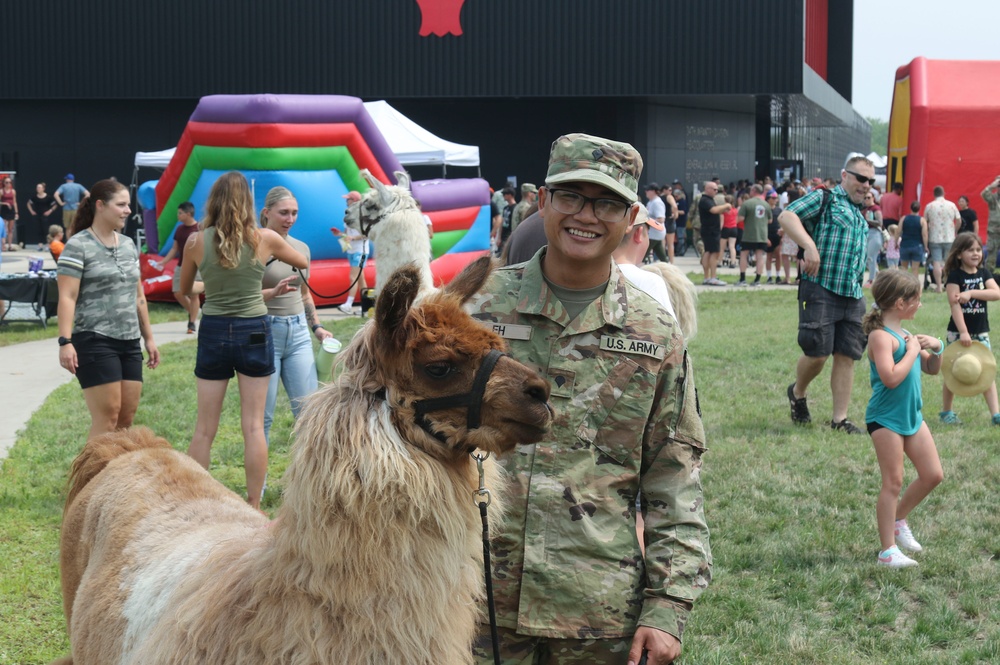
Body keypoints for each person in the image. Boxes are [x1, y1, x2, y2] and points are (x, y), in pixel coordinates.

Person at [469, 133, 711, 665]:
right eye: (571, 197)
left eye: (605, 202)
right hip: (472, 600)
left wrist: (667, 605)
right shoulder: (478, 310)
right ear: (543, 203)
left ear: (630, 219)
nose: (586, 215)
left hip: (597, 613)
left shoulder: (655, 334)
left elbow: (674, 475)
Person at [180, 171, 308, 510]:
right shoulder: (263, 238)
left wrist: (214, 283)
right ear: (248, 205)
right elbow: (304, 261)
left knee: (205, 428)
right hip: (254, 329)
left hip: (214, 330)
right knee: (253, 427)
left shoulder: (195, 241)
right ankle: (253, 504)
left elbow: (183, 289)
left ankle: (194, 503)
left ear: (214, 202)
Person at [56, 179, 160, 441]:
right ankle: (89, 480)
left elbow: (139, 297)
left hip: (129, 341)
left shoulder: (127, 245)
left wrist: (148, 338)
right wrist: (65, 341)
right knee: (108, 417)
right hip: (94, 339)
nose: (127, 210)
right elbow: (67, 296)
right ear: (100, 206)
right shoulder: (78, 245)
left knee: (126, 418)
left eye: (128, 205)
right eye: (121, 204)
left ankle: (114, 478)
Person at [779, 155, 874, 434]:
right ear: (845, 175)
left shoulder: (860, 213)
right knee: (818, 353)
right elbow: (787, 215)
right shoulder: (826, 199)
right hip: (820, 287)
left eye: (870, 181)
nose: (866, 185)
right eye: (860, 178)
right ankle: (797, 392)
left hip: (853, 294)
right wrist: (809, 246)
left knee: (847, 355)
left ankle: (839, 420)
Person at [862, 269, 944, 568]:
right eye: (916, 299)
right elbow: (891, 377)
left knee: (933, 474)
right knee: (893, 482)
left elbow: (932, 370)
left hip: (912, 416)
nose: (920, 303)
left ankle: (898, 519)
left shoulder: (906, 335)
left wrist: (937, 347)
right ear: (900, 303)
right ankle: (887, 551)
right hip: (885, 420)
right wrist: (911, 351)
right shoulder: (881, 337)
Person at [259, 186, 333, 443]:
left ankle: (310, 480)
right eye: (283, 213)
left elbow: (304, 295)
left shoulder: (301, 248)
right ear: (267, 213)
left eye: (294, 213)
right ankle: (259, 484)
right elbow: (242, 296)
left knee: (309, 413)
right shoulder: (254, 246)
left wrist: (317, 327)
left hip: (299, 332)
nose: (290, 219)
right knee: (262, 418)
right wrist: (272, 292)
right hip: (264, 331)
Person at [939, 232, 1000, 425]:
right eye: (970, 250)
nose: (976, 253)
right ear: (959, 254)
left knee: (986, 370)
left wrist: (971, 293)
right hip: (958, 332)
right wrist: (963, 332)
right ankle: (947, 412)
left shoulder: (984, 274)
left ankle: (995, 414)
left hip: (981, 332)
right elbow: (954, 304)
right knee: (953, 370)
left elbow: (996, 293)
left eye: (978, 249)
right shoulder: (955, 276)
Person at [612, 204, 675, 319]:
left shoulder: (588, 275)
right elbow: (670, 333)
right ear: (638, 234)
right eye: (648, 234)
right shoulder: (650, 282)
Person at [152, 202, 202, 333]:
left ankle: (191, 323)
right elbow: (175, 248)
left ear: (188, 214)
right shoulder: (179, 229)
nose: (178, 216)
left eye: (180, 213)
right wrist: (163, 262)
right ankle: (193, 311)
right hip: (181, 266)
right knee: (178, 292)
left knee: (194, 294)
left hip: (196, 267)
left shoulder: (199, 229)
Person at [333, 190, 369, 313]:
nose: (346, 201)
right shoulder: (347, 217)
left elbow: (367, 234)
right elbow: (347, 234)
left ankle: (348, 304)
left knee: (353, 276)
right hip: (351, 251)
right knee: (360, 279)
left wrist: (352, 238)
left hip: (361, 250)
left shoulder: (363, 216)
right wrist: (339, 234)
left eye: (348, 199)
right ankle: (367, 306)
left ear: (354, 201)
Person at [923, 186, 960, 293]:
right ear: (944, 193)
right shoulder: (952, 205)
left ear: (934, 194)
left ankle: (939, 286)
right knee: (949, 262)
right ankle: (948, 284)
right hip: (949, 237)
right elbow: (958, 220)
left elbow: (925, 223)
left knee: (936, 262)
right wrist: (955, 231)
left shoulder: (929, 206)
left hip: (934, 238)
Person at [736, 184, 771, 287]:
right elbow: (770, 220)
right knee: (760, 256)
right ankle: (757, 280)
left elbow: (740, 219)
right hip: (762, 235)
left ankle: (742, 279)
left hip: (749, 234)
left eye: (751, 190)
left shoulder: (747, 203)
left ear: (754, 191)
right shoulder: (766, 204)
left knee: (743, 255)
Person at [699, 181, 731, 285]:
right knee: (714, 253)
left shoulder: (709, 199)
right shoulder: (705, 200)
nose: (716, 191)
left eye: (717, 189)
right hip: (711, 230)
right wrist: (726, 205)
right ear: (707, 189)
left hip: (710, 230)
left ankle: (707, 277)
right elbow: (713, 210)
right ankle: (712, 277)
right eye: (714, 189)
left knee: (708, 252)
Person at [896, 201, 928, 288]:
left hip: (905, 245)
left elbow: (898, 231)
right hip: (917, 246)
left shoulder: (904, 218)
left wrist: (896, 242)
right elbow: (924, 234)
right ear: (919, 209)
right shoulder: (922, 220)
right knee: (915, 268)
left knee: (904, 268)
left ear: (910, 208)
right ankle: (915, 287)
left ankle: (903, 285)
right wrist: (926, 246)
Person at [26, 182, 58, 251]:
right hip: (37, 216)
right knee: (39, 230)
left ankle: (47, 245)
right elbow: (28, 203)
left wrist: (50, 211)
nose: (38, 189)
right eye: (37, 187)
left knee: (46, 230)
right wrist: (31, 211)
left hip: (45, 216)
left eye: (39, 187)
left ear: (43, 189)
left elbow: (55, 205)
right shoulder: (34, 197)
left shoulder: (48, 197)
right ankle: (40, 245)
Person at [861, 191, 883, 287]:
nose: (866, 199)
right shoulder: (865, 208)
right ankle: (879, 275)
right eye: (865, 198)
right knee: (866, 257)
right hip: (867, 233)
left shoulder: (876, 208)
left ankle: (871, 279)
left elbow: (880, 222)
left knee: (871, 257)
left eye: (869, 197)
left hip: (875, 234)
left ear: (873, 198)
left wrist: (868, 220)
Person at [644, 182, 668, 262]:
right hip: (654, 234)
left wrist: (646, 221)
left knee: (642, 254)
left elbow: (661, 219)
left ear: (653, 191)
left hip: (654, 233)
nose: (646, 192)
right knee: (662, 257)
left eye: (647, 190)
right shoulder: (651, 202)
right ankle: (668, 268)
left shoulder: (657, 203)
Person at [981, 175, 1000, 269]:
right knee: (991, 259)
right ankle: (989, 280)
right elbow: (983, 194)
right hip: (994, 233)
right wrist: (992, 186)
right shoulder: (993, 198)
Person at [1, 176, 18, 251]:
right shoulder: (1, 191)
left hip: (11, 210)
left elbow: (14, 202)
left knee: (10, 229)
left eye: (9, 182)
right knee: (4, 229)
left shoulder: (13, 191)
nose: (8, 184)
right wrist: (5, 203)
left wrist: (16, 212)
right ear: (4, 183)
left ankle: (10, 246)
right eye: (6, 182)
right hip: (4, 210)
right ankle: (3, 245)